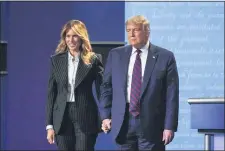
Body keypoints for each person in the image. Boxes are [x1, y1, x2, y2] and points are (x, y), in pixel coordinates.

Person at [100, 15, 179, 151]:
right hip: (123, 123)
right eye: (128, 30)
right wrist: (105, 116)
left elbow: (171, 95)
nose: (131, 34)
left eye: (135, 30)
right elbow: (106, 87)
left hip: (152, 124)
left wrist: (169, 126)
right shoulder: (116, 54)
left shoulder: (165, 56)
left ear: (147, 31)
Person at [45, 20, 103, 151]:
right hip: (61, 118)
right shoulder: (56, 60)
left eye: (75, 36)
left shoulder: (93, 59)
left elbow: (102, 90)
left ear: (82, 37)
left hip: (85, 116)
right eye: (68, 36)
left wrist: (106, 116)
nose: (71, 40)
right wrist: (49, 126)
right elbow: (51, 94)